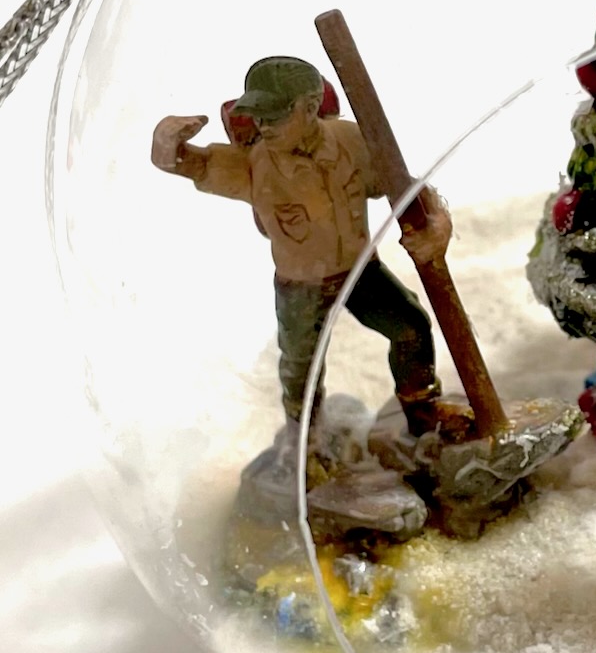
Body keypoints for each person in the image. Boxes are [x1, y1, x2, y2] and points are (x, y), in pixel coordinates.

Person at [150, 55, 452, 436]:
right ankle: (305, 437)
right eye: (258, 115)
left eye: (275, 115)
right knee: (301, 367)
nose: (263, 125)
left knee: (411, 326)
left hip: (361, 272)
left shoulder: (350, 142)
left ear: (310, 108)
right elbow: (193, 164)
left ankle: (423, 412)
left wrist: (437, 223)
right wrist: (166, 143)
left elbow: (401, 183)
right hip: (301, 288)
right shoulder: (253, 164)